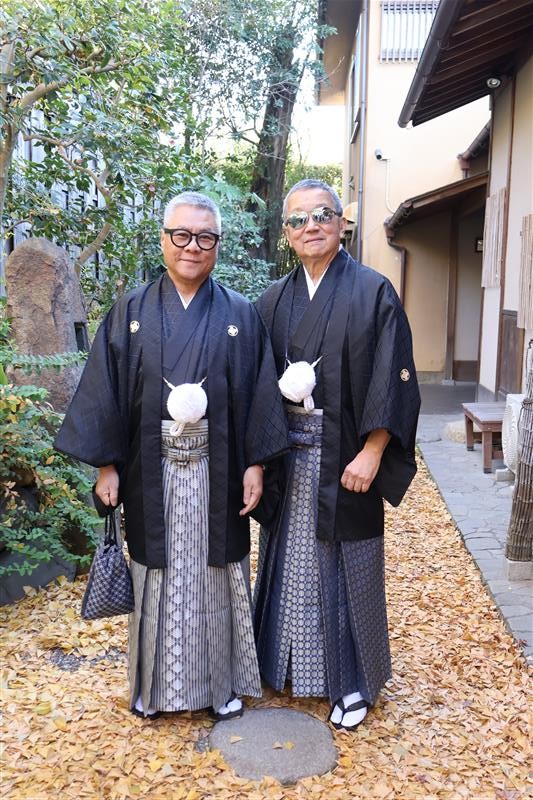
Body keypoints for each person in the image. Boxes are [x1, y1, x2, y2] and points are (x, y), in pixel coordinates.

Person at [55, 191, 288, 721]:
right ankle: (153, 690)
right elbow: (106, 390)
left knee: (217, 575)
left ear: (217, 244)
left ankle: (220, 687)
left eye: (205, 237)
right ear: (163, 239)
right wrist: (107, 465)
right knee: (155, 574)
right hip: (150, 469)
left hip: (218, 468)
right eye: (181, 235)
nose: (192, 246)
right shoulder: (131, 311)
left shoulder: (239, 313)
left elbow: (258, 392)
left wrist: (255, 463)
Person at [253, 179, 420, 731]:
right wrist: (256, 457)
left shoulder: (373, 292)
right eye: (298, 219)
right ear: (286, 233)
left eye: (322, 214)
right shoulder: (274, 300)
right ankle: (288, 667)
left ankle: (353, 681)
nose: (312, 226)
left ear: (341, 223)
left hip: (346, 456)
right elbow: (254, 384)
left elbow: (392, 376)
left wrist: (374, 451)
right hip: (287, 458)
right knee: (288, 562)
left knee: (348, 566)